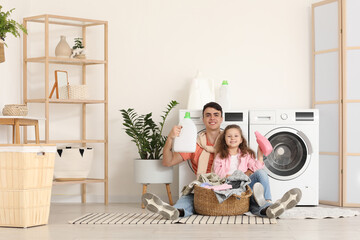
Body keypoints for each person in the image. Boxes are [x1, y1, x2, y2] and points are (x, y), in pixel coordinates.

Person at [142, 102, 224, 220]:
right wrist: (170, 138)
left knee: (194, 196)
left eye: (216, 115)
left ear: (221, 119)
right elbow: (167, 162)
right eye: (208, 115)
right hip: (202, 189)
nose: (212, 118)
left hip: (223, 187)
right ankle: (176, 211)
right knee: (188, 196)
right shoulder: (193, 144)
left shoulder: (229, 141)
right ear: (203, 119)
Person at [213, 124, 302, 218]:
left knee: (261, 173)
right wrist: (239, 175)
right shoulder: (220, 156)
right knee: (253, 202)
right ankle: (266, 209)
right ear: (224, 139)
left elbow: (257, 169)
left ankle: (268, 202)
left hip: (245, 185)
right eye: (229, 136)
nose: (232, 138)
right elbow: (219, 174)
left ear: (241, 139)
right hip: (230, 186)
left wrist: (260, 155)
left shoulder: (246, 154)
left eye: (236, 136)